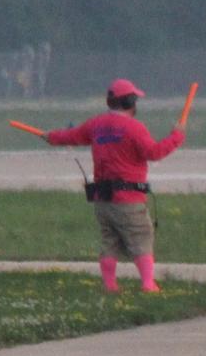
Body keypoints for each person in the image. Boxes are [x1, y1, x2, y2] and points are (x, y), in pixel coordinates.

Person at [44, 79, 185, 292]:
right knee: (141, 238)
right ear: (129, 102)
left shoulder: (96, 124)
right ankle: (148, 284)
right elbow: (154, 153)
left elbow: (72, 136)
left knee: (109, 241)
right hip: (128, 199)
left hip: (102, 198)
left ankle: (110, 285)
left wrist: (51, 137)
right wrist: (176, 136)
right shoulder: (134, 128)